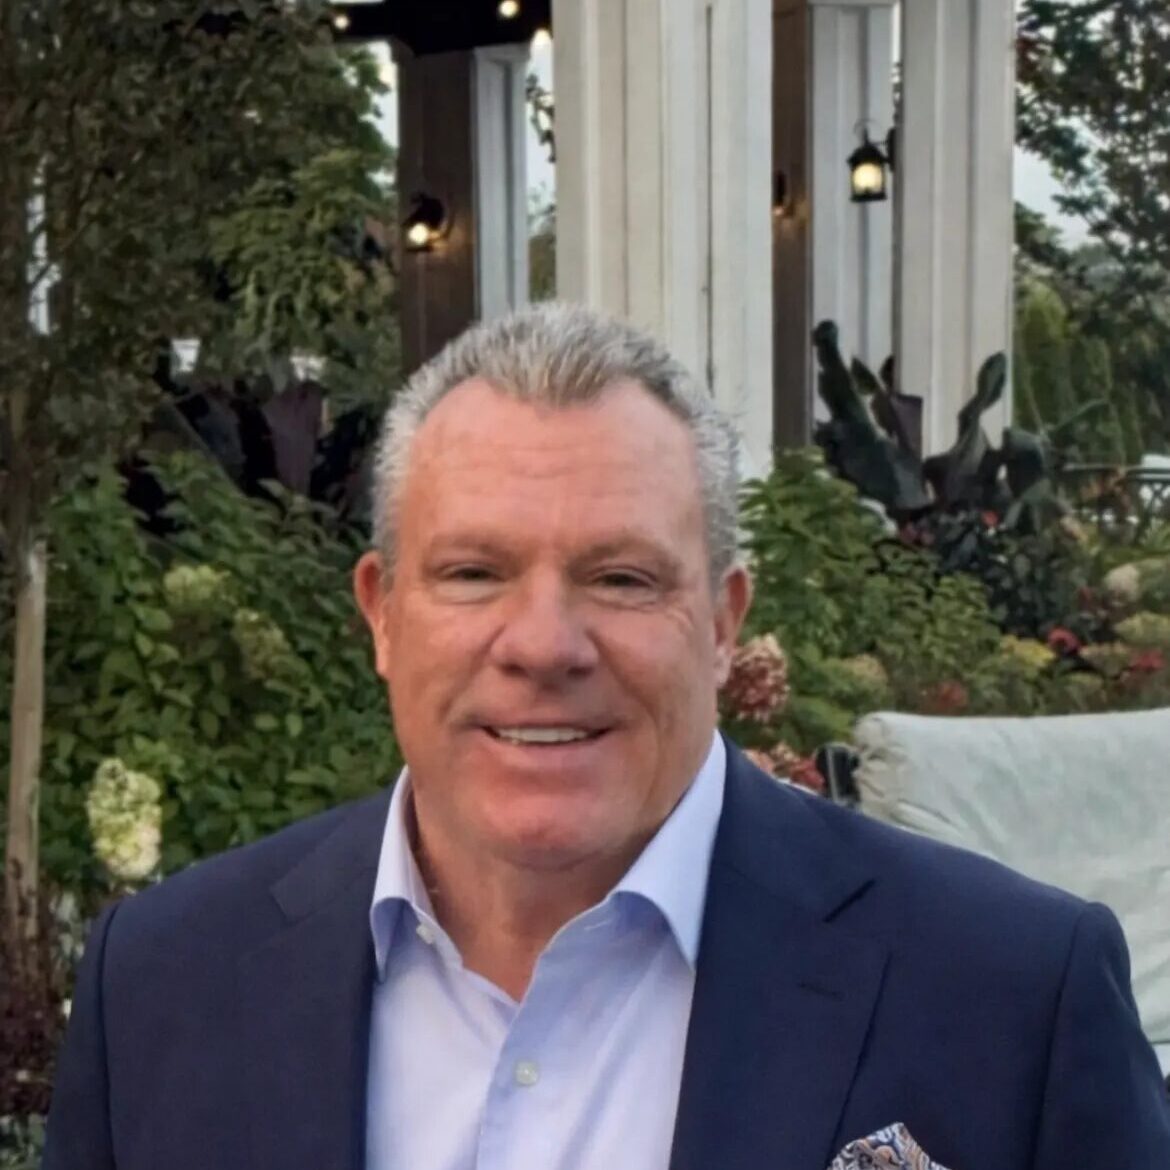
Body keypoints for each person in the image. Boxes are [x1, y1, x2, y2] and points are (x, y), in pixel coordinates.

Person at [43, 304, 1169, 1170]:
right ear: (382, 613)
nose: (544, 643)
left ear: (723, 624)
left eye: (621, 577)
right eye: (474, 573)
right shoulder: (163, 988)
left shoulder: (1012, 996)